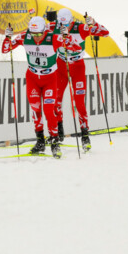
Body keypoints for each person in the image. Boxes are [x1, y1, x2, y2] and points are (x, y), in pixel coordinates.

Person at [1, 16, 81, 158]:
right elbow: (6, 49)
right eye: (33, 34)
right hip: (32, 78)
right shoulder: (25, 37)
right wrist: (7, 37)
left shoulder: (53, 39)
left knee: (49, 111)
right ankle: (40, 142)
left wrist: (66, 36)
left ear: (45, 30)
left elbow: (76, 48)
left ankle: (55, 142)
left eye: (39, 34)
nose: (36, 37)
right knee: (36, 110)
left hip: (50, 79)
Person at [53, 9, 110, 151]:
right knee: (56, 99)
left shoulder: (80, 28)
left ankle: (85, 134)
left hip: (77, 66)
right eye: (61, 24)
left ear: (71, 21)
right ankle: (59, 130)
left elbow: (105, 32)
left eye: (66, 24)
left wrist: (93, 23)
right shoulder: (54, 27)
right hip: (61, 65)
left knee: (79, 102)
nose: (63, 27)